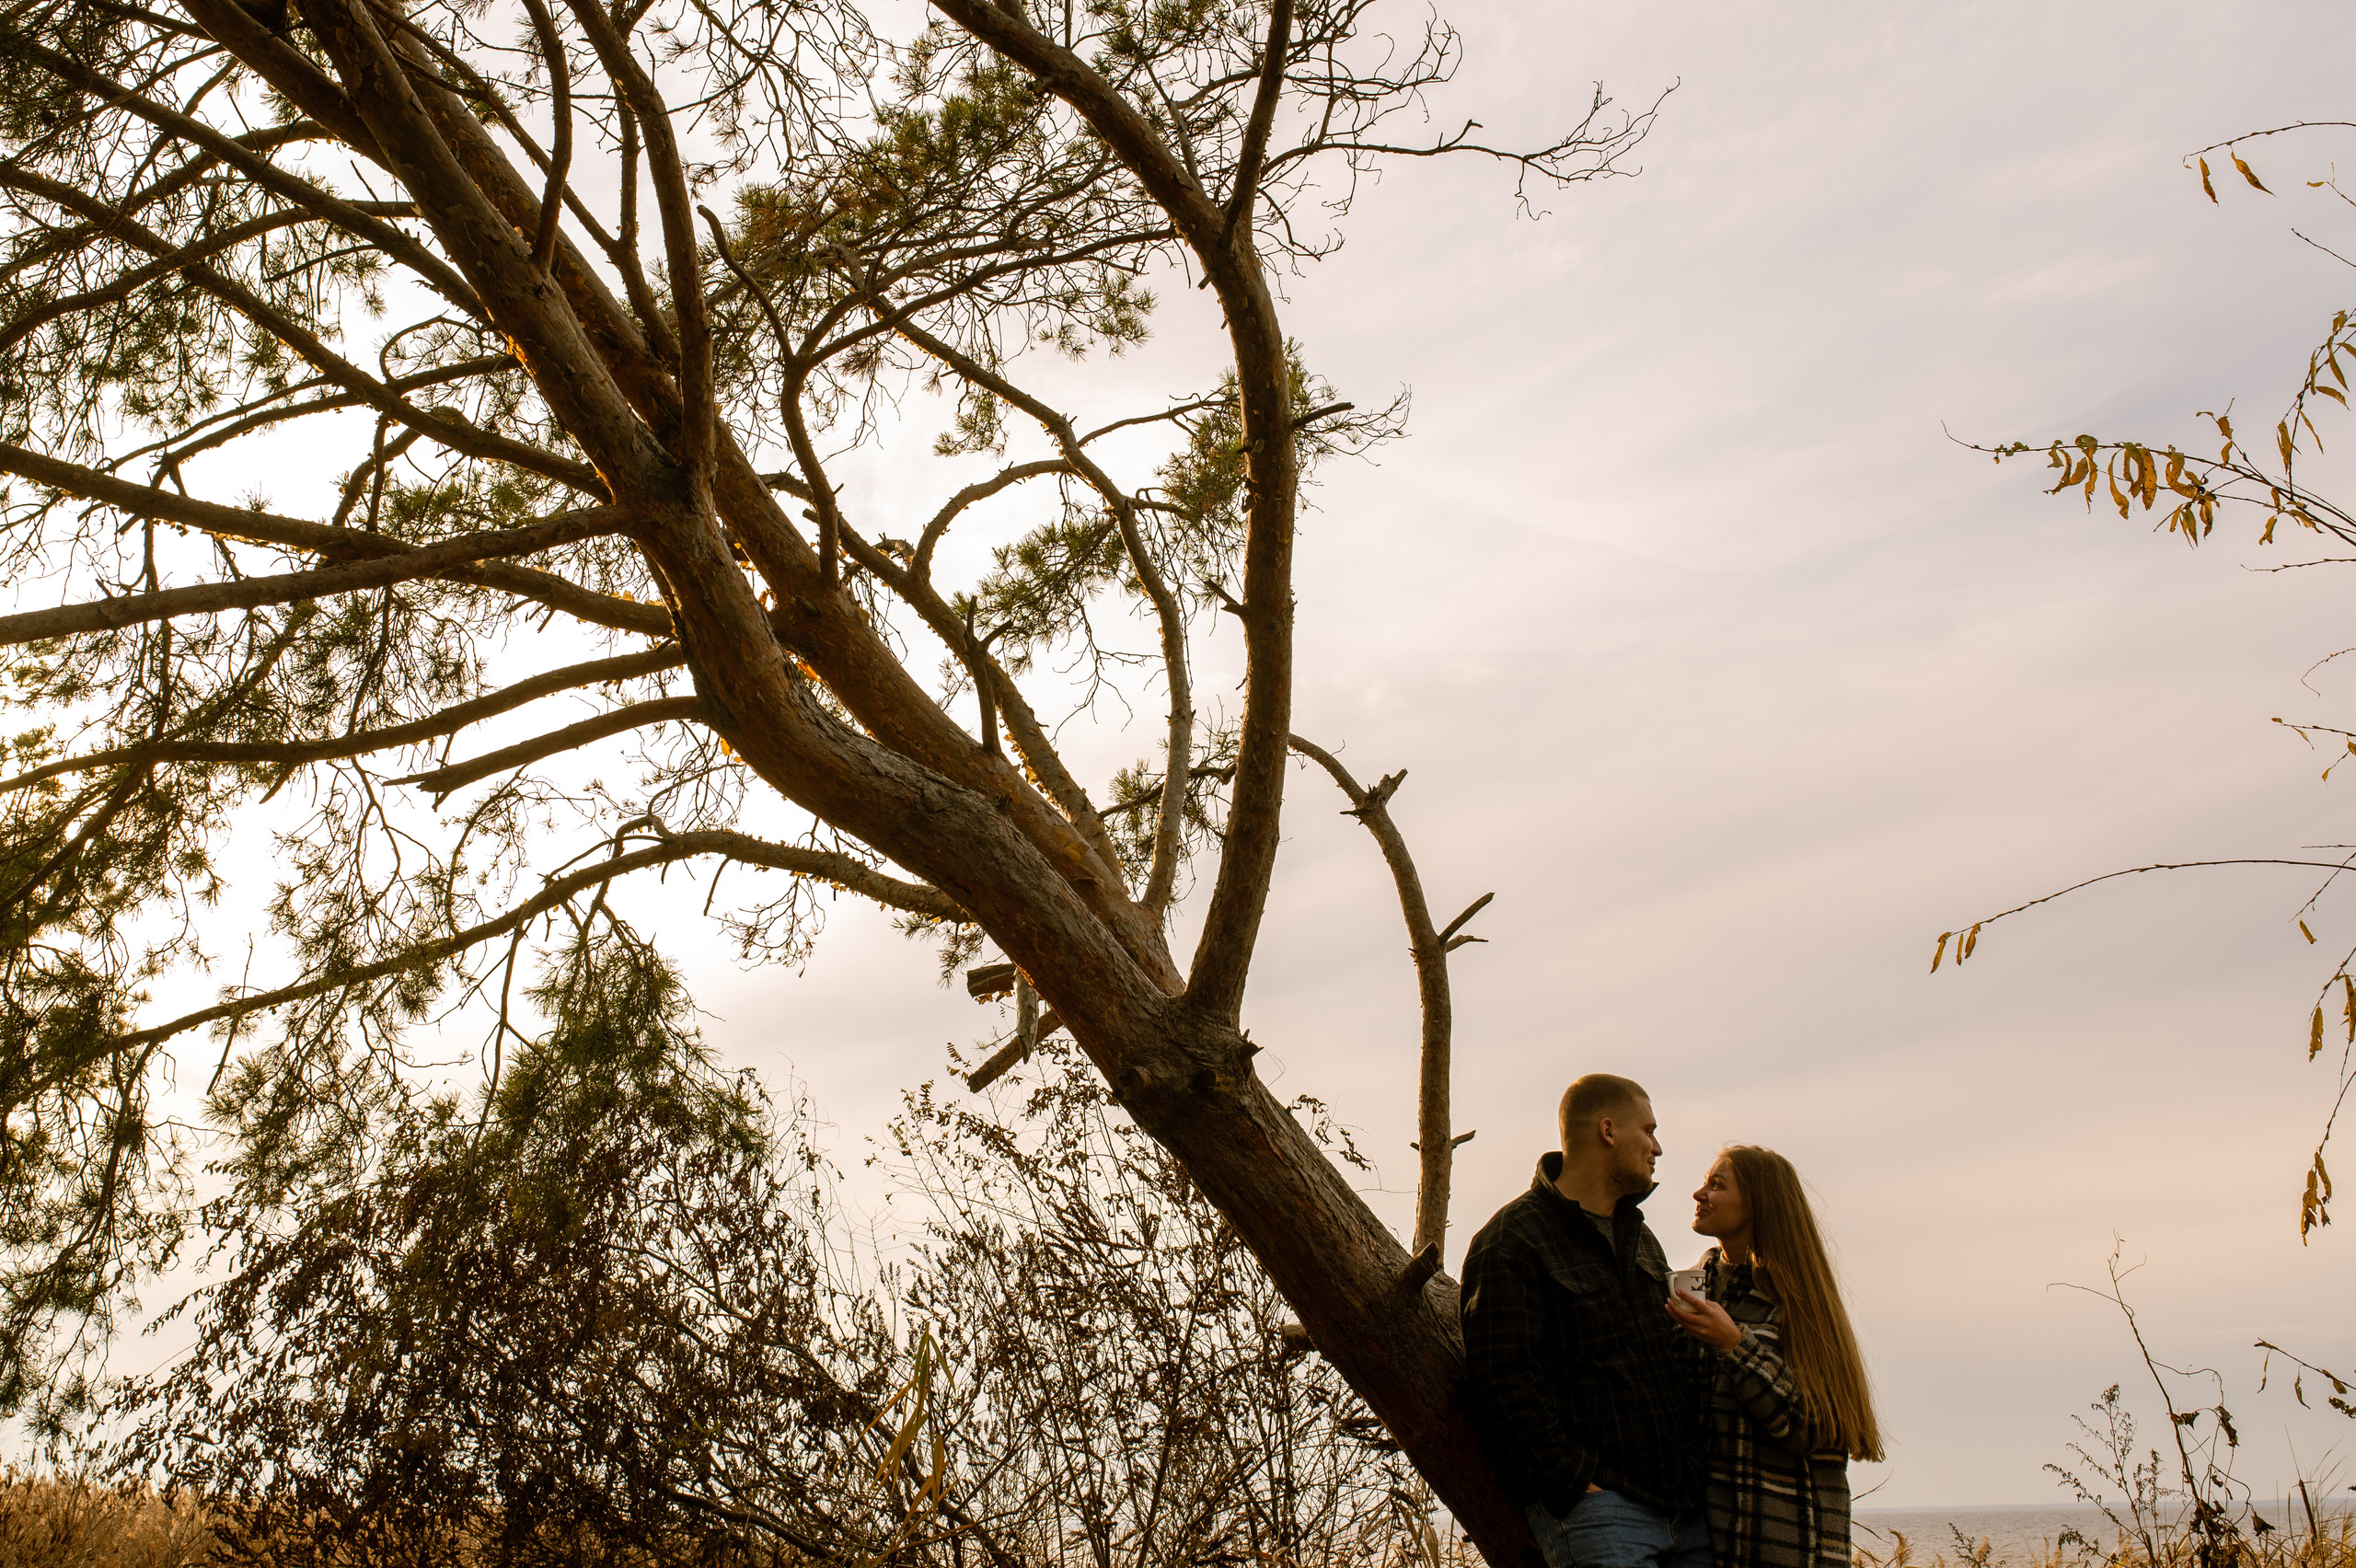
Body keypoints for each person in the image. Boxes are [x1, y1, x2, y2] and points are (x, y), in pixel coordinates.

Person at [1461, 1074, 1708, 1568]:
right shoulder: (1513, 1239)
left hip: (1687, 1510)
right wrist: (1577, 1484)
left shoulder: (1641, 1238)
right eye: (1650, 1130)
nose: (1657, 1147)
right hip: (1603, 1515)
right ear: (1609, 1130)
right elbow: (1501, 1379)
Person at [1664, 1145, 1886, 1568]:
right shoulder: (1697, 1293)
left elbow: (1814, 1425)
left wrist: (1735, 1345)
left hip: (1792, 1547)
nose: (1699, 1193)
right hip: (1708, 1544)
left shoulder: (1796, 1304)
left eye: (1717, 1184)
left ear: (1757, 1204)